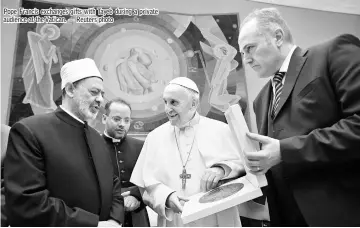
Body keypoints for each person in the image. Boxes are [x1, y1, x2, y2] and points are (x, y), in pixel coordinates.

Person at [238, 7, 360, 227]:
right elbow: (274, 157)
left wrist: (285, 150)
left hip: (340, 211)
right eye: (242, 53)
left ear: (277, 37)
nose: (246, 59)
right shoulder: (261, 99)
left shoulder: (333, 52)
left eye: (250, 48)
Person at [4, 58, 124, 226]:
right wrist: (93, 224)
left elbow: (114, 185)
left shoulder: (97, 138)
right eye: (94, 92)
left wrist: (115, 220)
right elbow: (27, 202)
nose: (100, 100)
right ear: (69, 89)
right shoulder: (30, 131)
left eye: (102, 95)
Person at [130, 77, 245, 227]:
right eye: (165, 102)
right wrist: (166, 197)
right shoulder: (155, 137)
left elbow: (244, 167)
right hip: (175, 219)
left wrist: (222, 169)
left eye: (174, 102)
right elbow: (145, 185)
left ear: (193, 104)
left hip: (216, 217)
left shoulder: (221, 130)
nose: (167, 109)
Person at [102, 98, 150, 227]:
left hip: (137, 215)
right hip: (106, 216)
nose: (122, 124)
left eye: (127, 120)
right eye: (116, 119)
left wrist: (137, 196)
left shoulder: (141, 146)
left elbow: (151, 179)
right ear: (104, 118)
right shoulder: (93, 146)